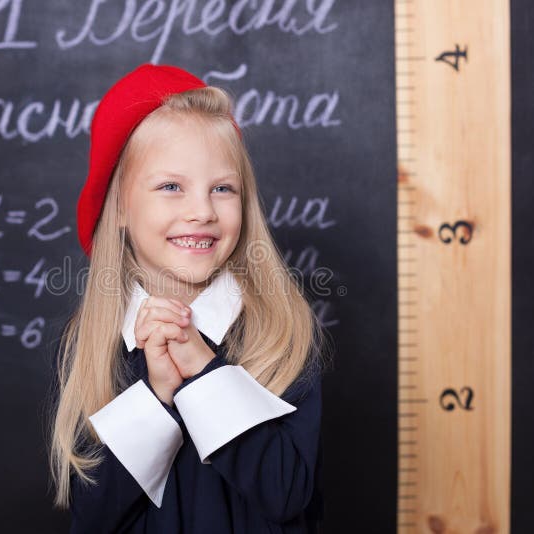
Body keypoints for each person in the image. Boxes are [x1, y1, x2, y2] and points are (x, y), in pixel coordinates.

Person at [47, 62, 332, 533]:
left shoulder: (283, 332)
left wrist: (203, 371)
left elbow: (286, 494)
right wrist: (156, 396)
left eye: (222, 188)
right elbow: (92, 518)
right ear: (118, 207)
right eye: (171, 187)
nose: (201, 211)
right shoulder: (92, 346)